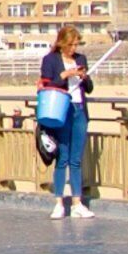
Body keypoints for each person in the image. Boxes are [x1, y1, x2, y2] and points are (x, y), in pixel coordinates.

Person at [38, 25, 95, 220]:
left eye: (76, 45)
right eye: (70, 45)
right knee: (62, 157)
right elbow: (47, 85)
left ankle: (78, 203)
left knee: (76, 159)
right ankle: (59, 203)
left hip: (79, 110)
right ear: (62, 43)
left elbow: (89, 89)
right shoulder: (50, 60)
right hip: (60, 110)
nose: (73, 48)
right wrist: (65, 75)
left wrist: (84, 77)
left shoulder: (80, 59)